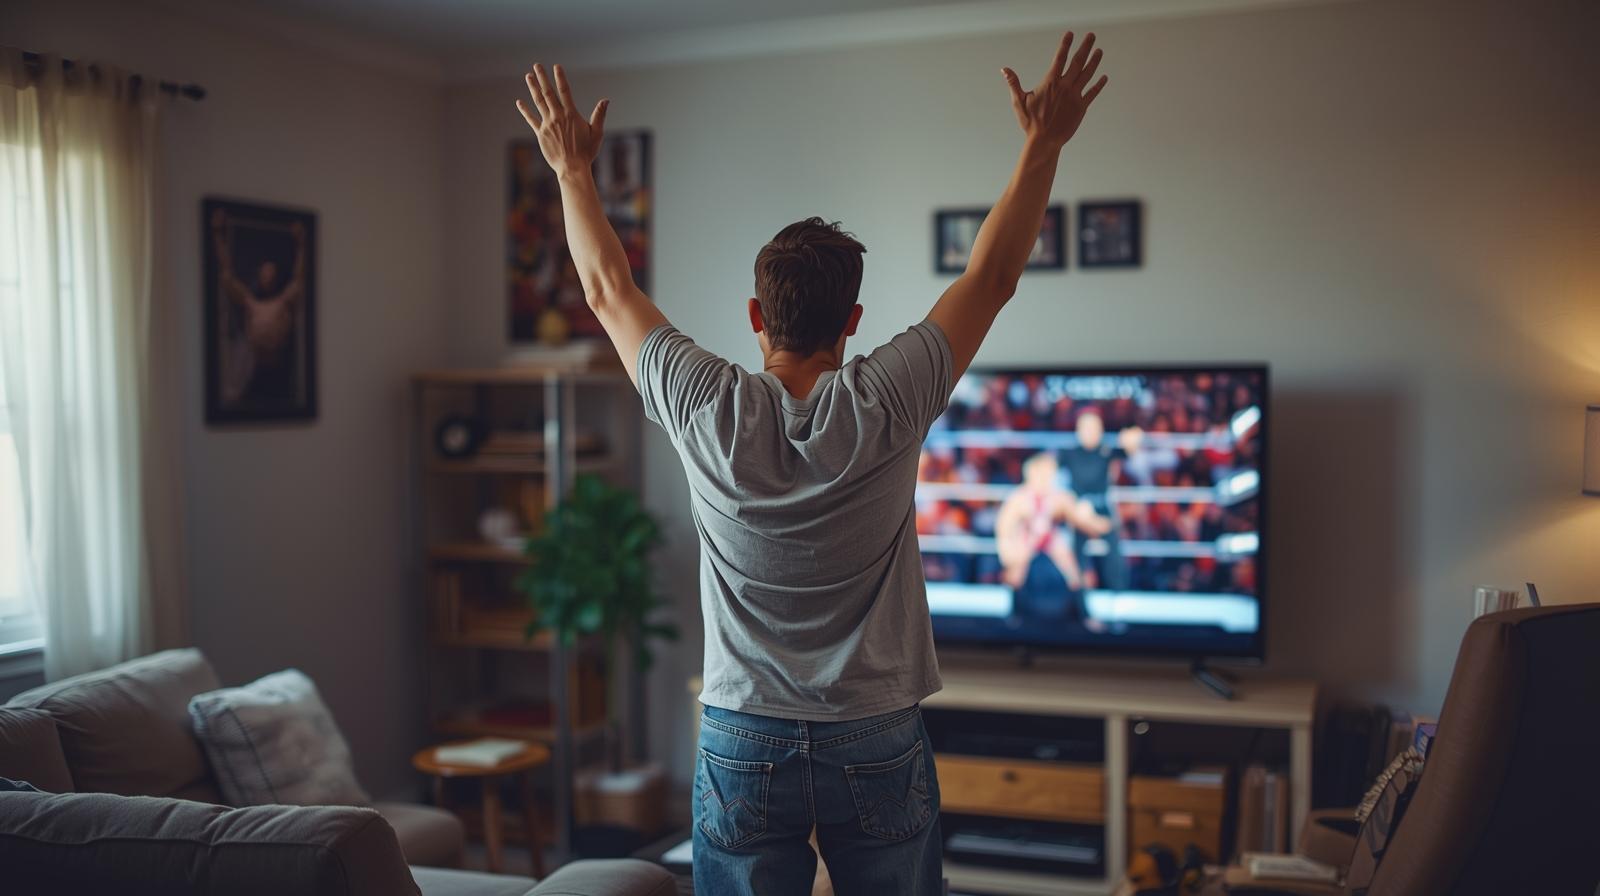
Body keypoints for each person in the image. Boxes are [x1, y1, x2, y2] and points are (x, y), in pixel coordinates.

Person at [515, 32, 1108, 896]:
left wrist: (570, 170)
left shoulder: (702, 400)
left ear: (758, 312)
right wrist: (1042, 143)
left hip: (741, 731)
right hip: (872, 728)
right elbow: (992, 277)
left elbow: (606, 290)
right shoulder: (890, 397)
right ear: (854, 318)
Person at [995, 453, 1111, 629]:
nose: (1045, 478)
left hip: (1051, 537)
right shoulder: (1019, 497)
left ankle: (1086, 616)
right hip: (1029, 536)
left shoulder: (1059, 496)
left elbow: (1079, 518)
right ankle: (1014, 616)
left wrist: (1099, 525)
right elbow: (1004, 525)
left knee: (1073, 572)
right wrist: (1007, 553)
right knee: (1016, 572)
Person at [210, 210, 308, 406]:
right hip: (252, 368)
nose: (268, 277)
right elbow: (227, 276)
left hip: (280, 368)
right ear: (259, 275)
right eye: (265, 273)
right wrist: (217, 235)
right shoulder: (250, 302)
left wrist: (302, 244)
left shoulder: (284, 301)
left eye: (271, 273)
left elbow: (299, 279)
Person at [1059, 408, 1141, 590]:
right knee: (1074, 552)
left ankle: (1118, 592)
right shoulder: (1069, 453)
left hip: (1102, 508)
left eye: (1094, 427)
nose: (1090, 432)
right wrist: (1075, 509)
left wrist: (1132, 438)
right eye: (1086, 427)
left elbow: (1129, 449)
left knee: (1114, 551)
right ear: (1079, 430)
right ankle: (1077, 596)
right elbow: (1052, 473)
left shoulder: (1105, 451)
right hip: (1077, 511)